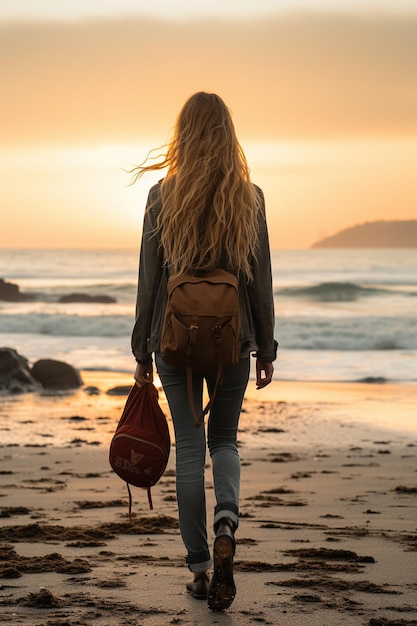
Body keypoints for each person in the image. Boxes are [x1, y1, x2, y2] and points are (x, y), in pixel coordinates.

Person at [130, 92, 277, 612]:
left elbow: (150, 282)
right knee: (225, 441)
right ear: (228, 133)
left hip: (172, 340)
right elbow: (259, 282)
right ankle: (227, 523)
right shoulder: (250, 197)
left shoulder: (160, 196)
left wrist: (141, 348)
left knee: (190, 452)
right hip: (233, 341)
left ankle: (198, 568)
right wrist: (266, 345)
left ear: (183, 134)